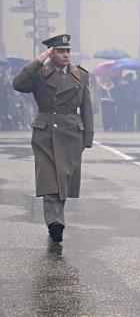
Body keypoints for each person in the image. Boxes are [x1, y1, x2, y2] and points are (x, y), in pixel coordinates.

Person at [12, 34, 94, 244]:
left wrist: (88, 136)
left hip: (71, 132)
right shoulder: (39, 73)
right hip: (45, 131)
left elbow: (87, 107)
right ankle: (55, 222)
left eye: (67, 51)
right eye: (60, 51)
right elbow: (17, 84)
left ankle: (57, 217)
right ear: (51, 52)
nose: (65, 55)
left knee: (63, 180)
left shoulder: (80, 75)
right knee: (49, 179)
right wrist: (38, 61)